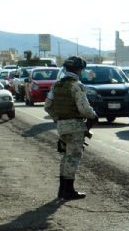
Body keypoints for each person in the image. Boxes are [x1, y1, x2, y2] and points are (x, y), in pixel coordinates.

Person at [44, 56, 97, 201]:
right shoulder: (76, 85)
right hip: (75, 127)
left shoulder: (57, 85)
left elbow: (47, 106)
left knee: (66, 156)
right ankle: (68, 190)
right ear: (79, 70)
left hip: (62, 126)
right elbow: (84, 108)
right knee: (73, 157)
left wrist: (58, 118)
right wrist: (93, 116)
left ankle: (62, 190)